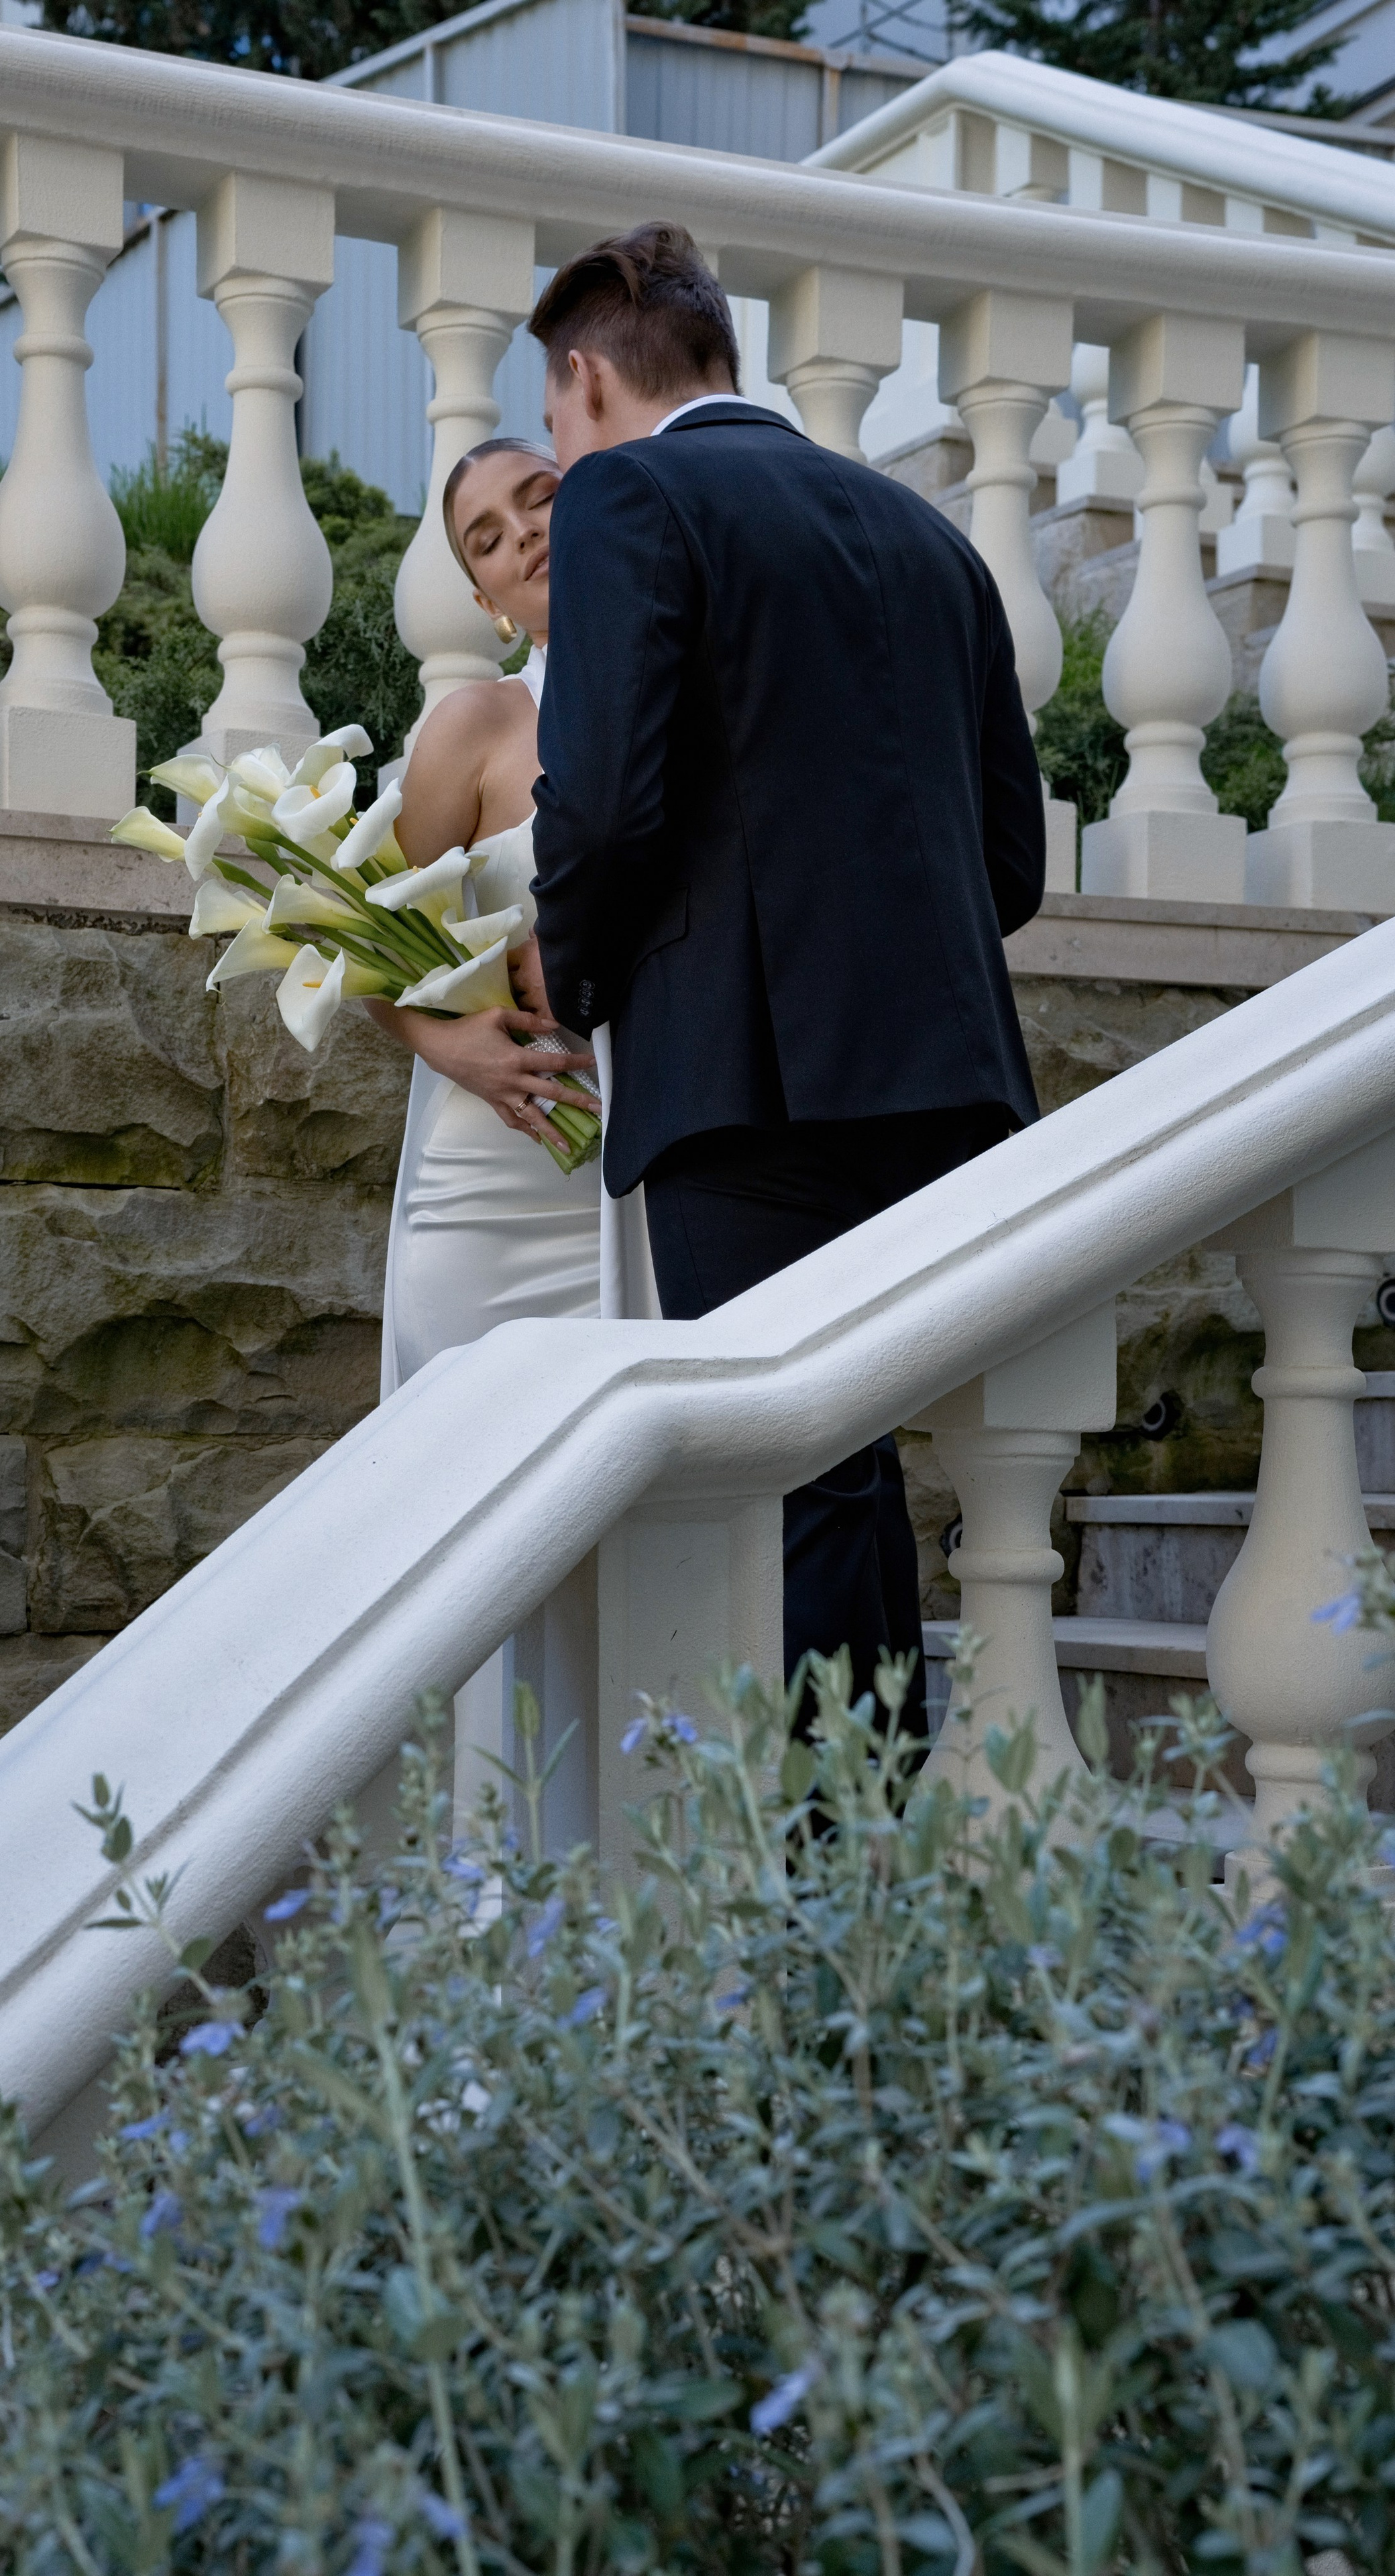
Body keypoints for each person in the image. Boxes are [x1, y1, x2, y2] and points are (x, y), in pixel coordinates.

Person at [524, 221, 1048, 1711]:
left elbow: (609, 802)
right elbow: (1006, 869)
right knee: (853, 1477)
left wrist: (572, 980)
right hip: (946, 1083)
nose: (558, 451)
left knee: (791, 1482)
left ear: (581, 381)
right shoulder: (929, 540)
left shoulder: (625, 493)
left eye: (553, 421)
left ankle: (827, 1889)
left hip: (745, 1082)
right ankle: (860, 1856)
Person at [368, 435, 656, 1398]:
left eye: (540, 498)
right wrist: (450, 1049)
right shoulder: (473, 729)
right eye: (486, 539)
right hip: (494, 1188)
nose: (525, 532)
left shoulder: (688, 696)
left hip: (657, 1176)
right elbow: (358, 945)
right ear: (489, 604)